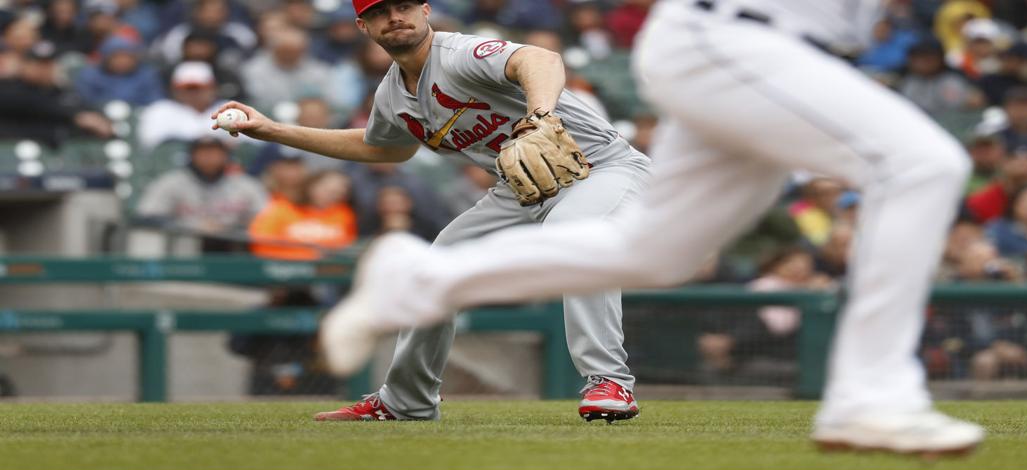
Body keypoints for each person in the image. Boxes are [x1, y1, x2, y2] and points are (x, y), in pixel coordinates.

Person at [322, 0, 985, 456]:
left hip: (747, 54)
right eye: (378, 11)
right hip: (731, 38)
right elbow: (533, 61)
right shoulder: (432, 70)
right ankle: (870, 392)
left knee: (654, 252)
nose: (394, 15)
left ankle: (420, 275)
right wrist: (542, 110)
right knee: (923, 165)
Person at [214, 0, 653, 424]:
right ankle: (407, 399)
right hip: (521, 189)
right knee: (432, 266)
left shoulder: (459, 54)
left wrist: (539, 116)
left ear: (425, 10)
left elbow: (540, 58)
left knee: (571, 231)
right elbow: (378, 146)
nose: (395, 17)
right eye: (379, 12)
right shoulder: (393, 94)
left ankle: (608, 380)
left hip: (603, 168)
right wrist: (271, 129)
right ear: (363, 28)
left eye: (403, 6)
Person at [133, 135, 269, 252]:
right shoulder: (170, 183)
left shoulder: (245, 185)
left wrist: (228, 228)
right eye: (203, 152)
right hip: (184, 249)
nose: (209, 157)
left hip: (233, 248)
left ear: (226, 156)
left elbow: (266, 219)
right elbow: (147, 217)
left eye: (215, 152)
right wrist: (192, 226)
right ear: (191, 156)